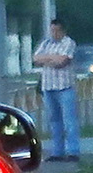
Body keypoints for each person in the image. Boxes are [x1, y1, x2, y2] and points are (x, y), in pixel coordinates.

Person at [32, 19, 80, 162]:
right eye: (52, 30)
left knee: (69, 121)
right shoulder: (46, 43)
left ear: (63, 31)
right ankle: (57, 152)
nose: (54, 33)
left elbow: (62, 62)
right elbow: (35, 58)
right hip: (48, 87)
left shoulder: (69, 43)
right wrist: (52, 58)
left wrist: (46, 59)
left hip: (65, 87)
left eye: (57, 30)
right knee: (54, 120)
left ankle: (73, 151)